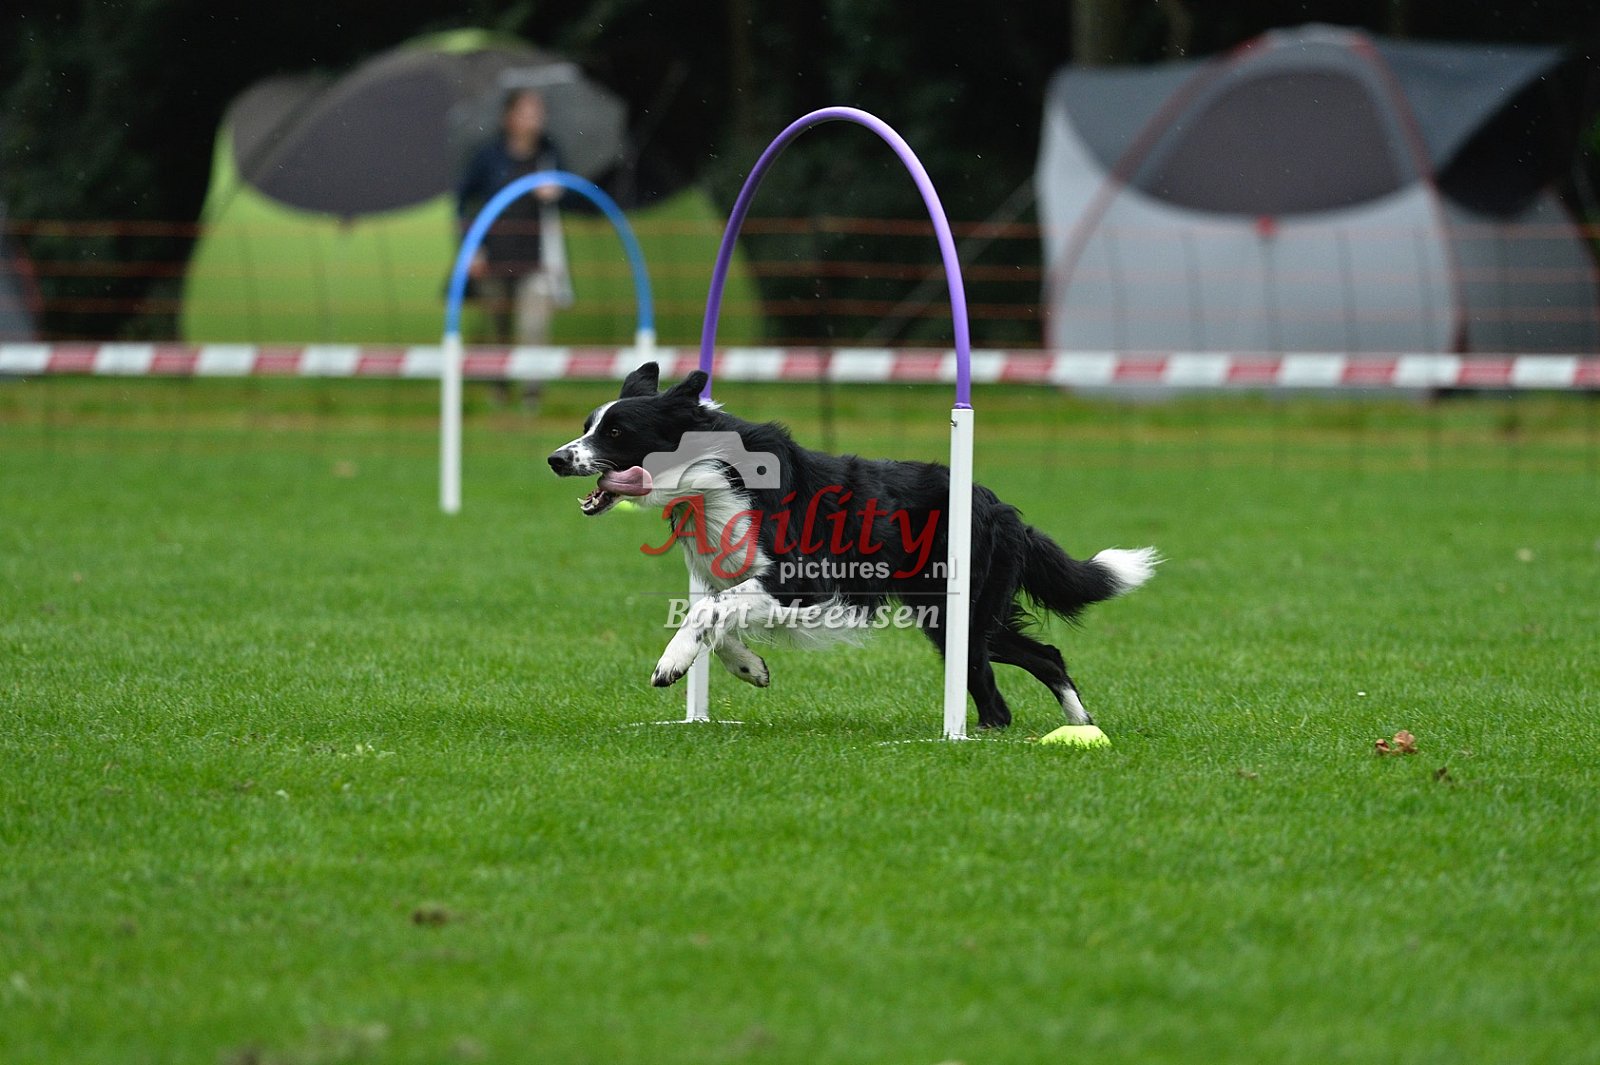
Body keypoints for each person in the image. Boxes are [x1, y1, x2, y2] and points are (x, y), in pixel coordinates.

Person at [456, 88, 567, 346]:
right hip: (493, 259)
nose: (535, 118)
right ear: (509, 117)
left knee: (534, 330)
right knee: (496, 333)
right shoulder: (487, 156)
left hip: (536, 260)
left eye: (538, 112)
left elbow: (572, 197)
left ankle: (531, 375)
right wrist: (471, 247)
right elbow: (464, 202)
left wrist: (558, 192)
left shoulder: (549, 154)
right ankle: (491, 371)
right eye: (527, 112)